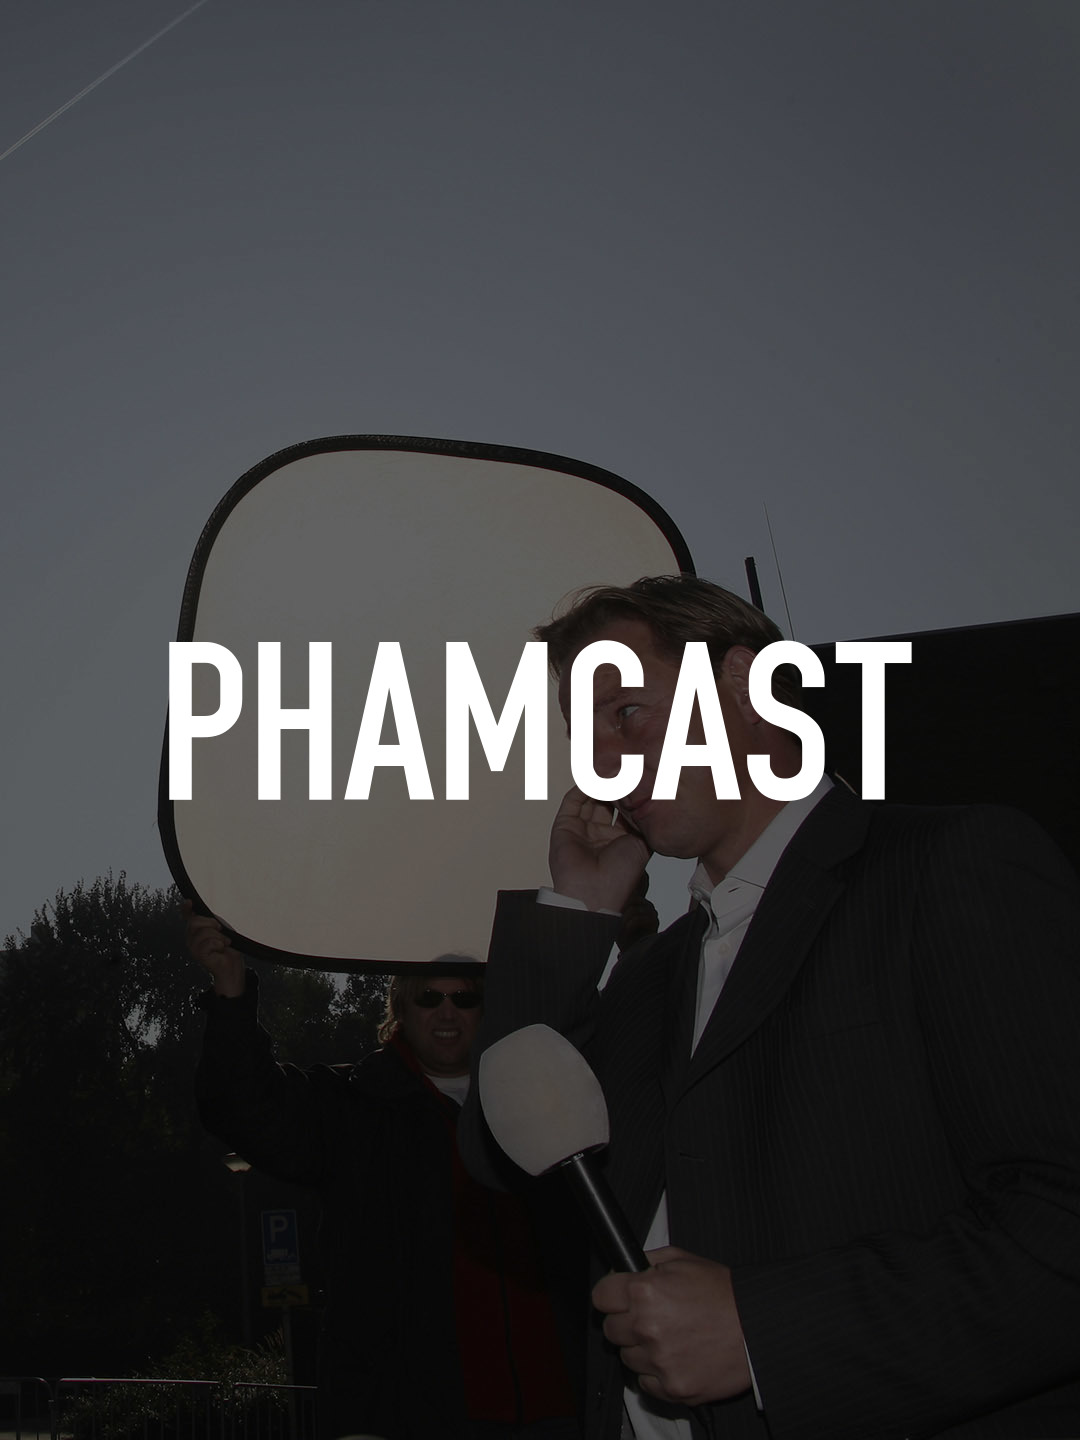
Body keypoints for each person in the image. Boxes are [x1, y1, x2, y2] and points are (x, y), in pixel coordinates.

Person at [459, 575, 1080, 1440]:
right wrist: (575, 915)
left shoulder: (949, 865)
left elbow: (1059, 1224)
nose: (601, 764)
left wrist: (764, 1333)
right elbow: (503, 1158)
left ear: (744, 685)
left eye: (625, 712)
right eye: (584, 739)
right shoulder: (649, 976)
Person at [189, 907, 588, 1440]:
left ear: (486, 1008)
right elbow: (243, 1107)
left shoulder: (543, 1104)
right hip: (408, 1414)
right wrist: (231, 989)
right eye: (428, 998)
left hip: (556, 1408)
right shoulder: (355, 1106)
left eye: (464, 998)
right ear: (400, 1006)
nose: (446, 1012)